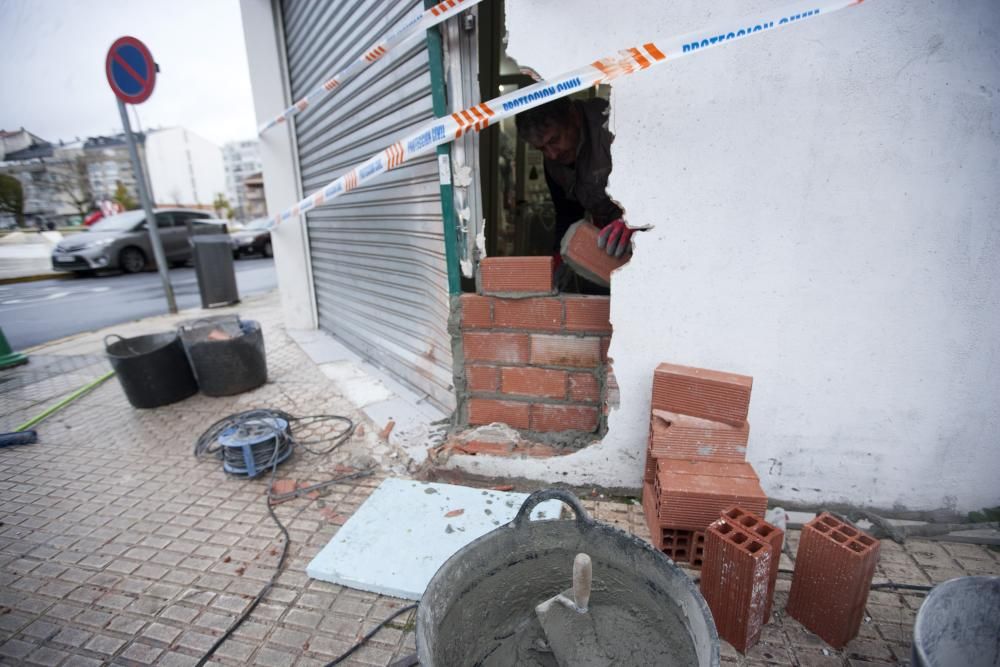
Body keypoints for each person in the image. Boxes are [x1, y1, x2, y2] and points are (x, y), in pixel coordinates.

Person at [515, 96, 634, 261]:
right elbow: (567, 213)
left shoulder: (613, 125)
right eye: (541, 148)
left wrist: (636, 218)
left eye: (555, 140)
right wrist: (559, 258)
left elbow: (662, 178)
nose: (552, 154)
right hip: (613, 242)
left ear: (573, 116)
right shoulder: (553, 160)